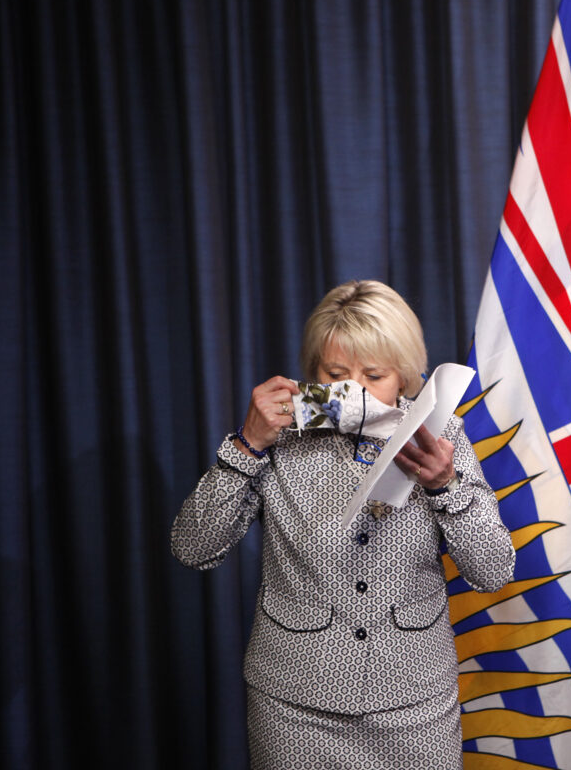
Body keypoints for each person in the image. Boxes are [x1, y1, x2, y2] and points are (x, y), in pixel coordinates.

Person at [171, 280, 515, 770]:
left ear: (405, 376)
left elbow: (493, 571)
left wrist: (446, 486)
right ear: (313, 373)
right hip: (293, 705)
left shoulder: (441, 437)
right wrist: (248, 445)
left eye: (374, 375)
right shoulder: (278, 435)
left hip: (415, 704)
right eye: (335, 375)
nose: (353, 391)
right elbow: (193, 548)